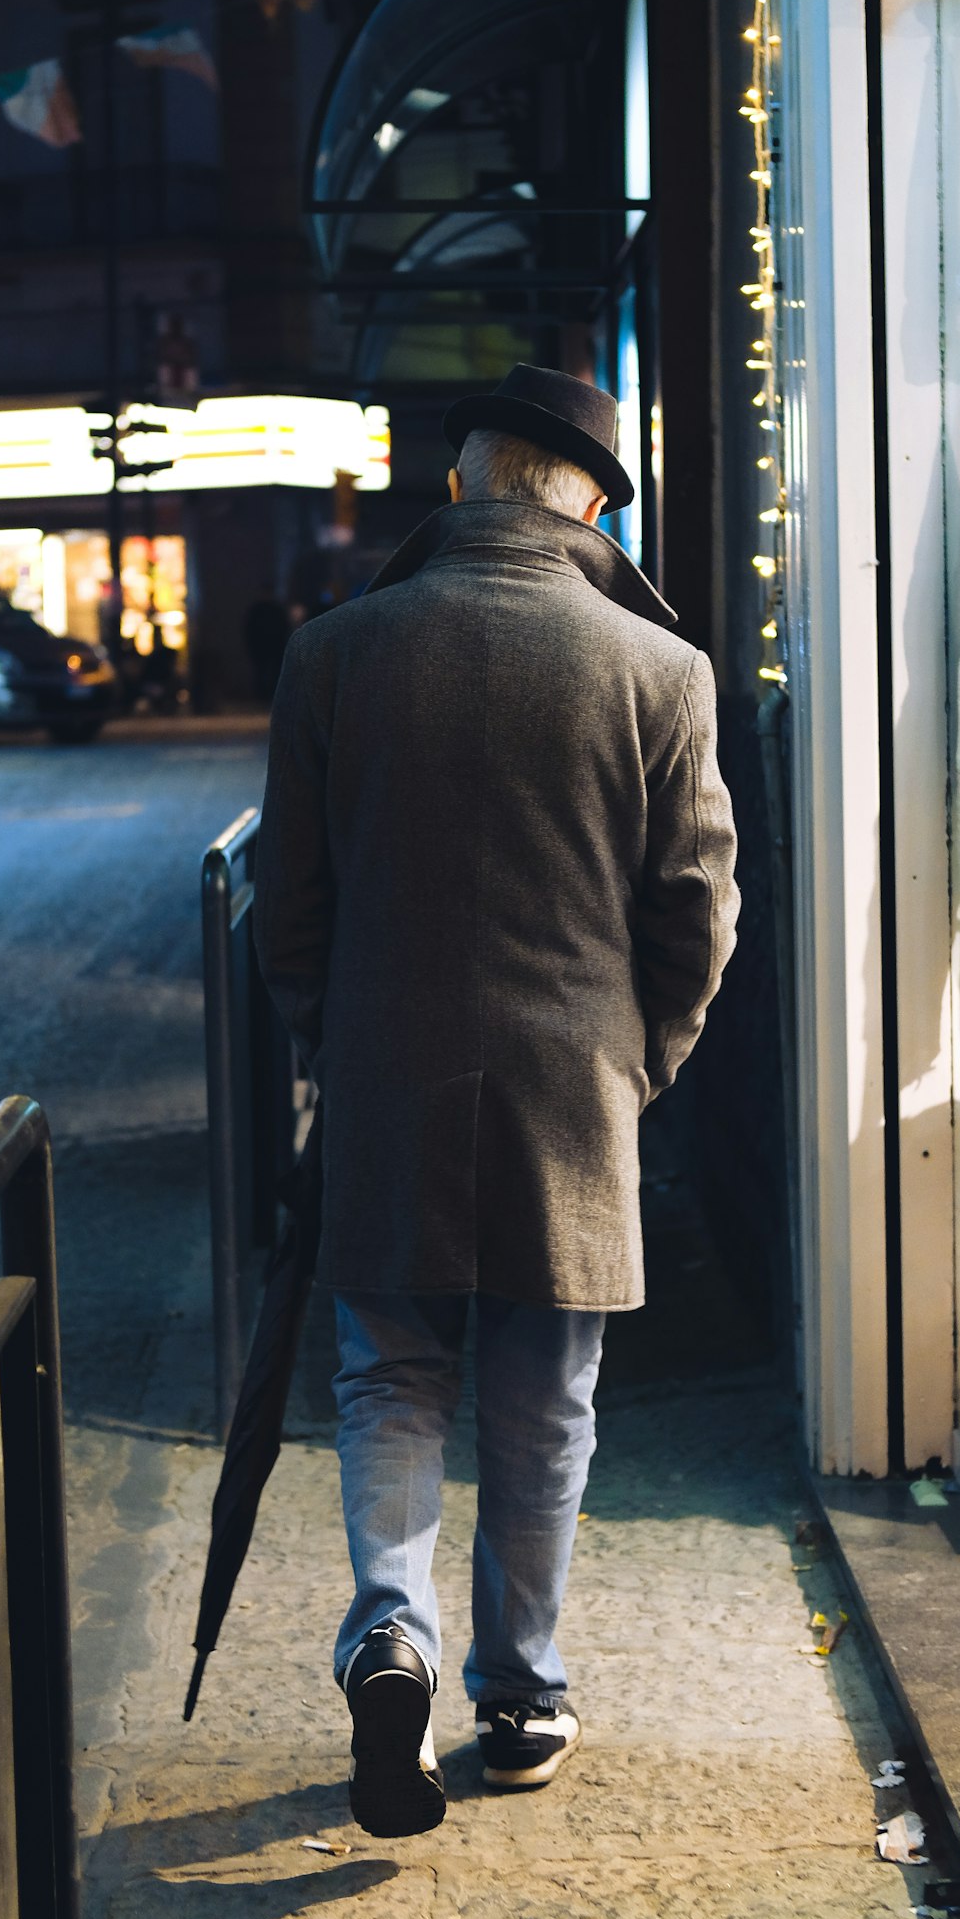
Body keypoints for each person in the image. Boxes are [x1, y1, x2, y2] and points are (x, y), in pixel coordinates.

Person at [254, 363, 740, 1838]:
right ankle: (521, 1691)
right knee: (545, 1405)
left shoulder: (337, 652)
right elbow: (698, 913)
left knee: (388, 1373)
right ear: (593, 506)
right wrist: (643, 1061)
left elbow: (291, 899)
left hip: (389, 1067)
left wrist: (324, 1040)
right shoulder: (661, 671)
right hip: (570, 1084)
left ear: (459, 485)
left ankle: (387, 1628)